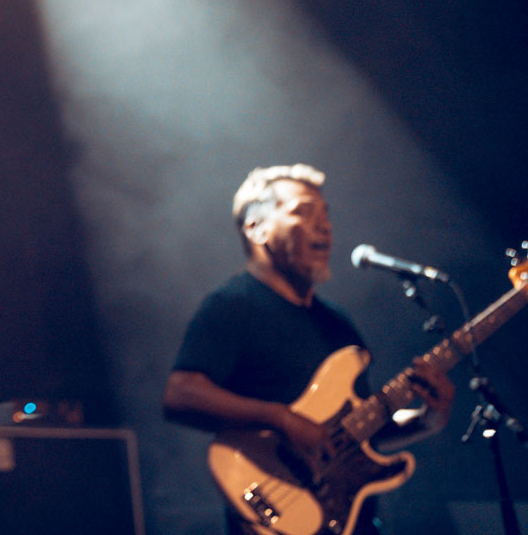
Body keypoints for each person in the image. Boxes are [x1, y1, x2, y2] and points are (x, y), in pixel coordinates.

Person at [163, 164, 455, 534]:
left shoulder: (338, 326)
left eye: (326, 214)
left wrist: (427, 418)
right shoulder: (232, 306)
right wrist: (281, 419)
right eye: (302, 211)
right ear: (256, 228)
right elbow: (180, 394)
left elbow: (358, 435)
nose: (325, 226)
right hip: (275, 514)